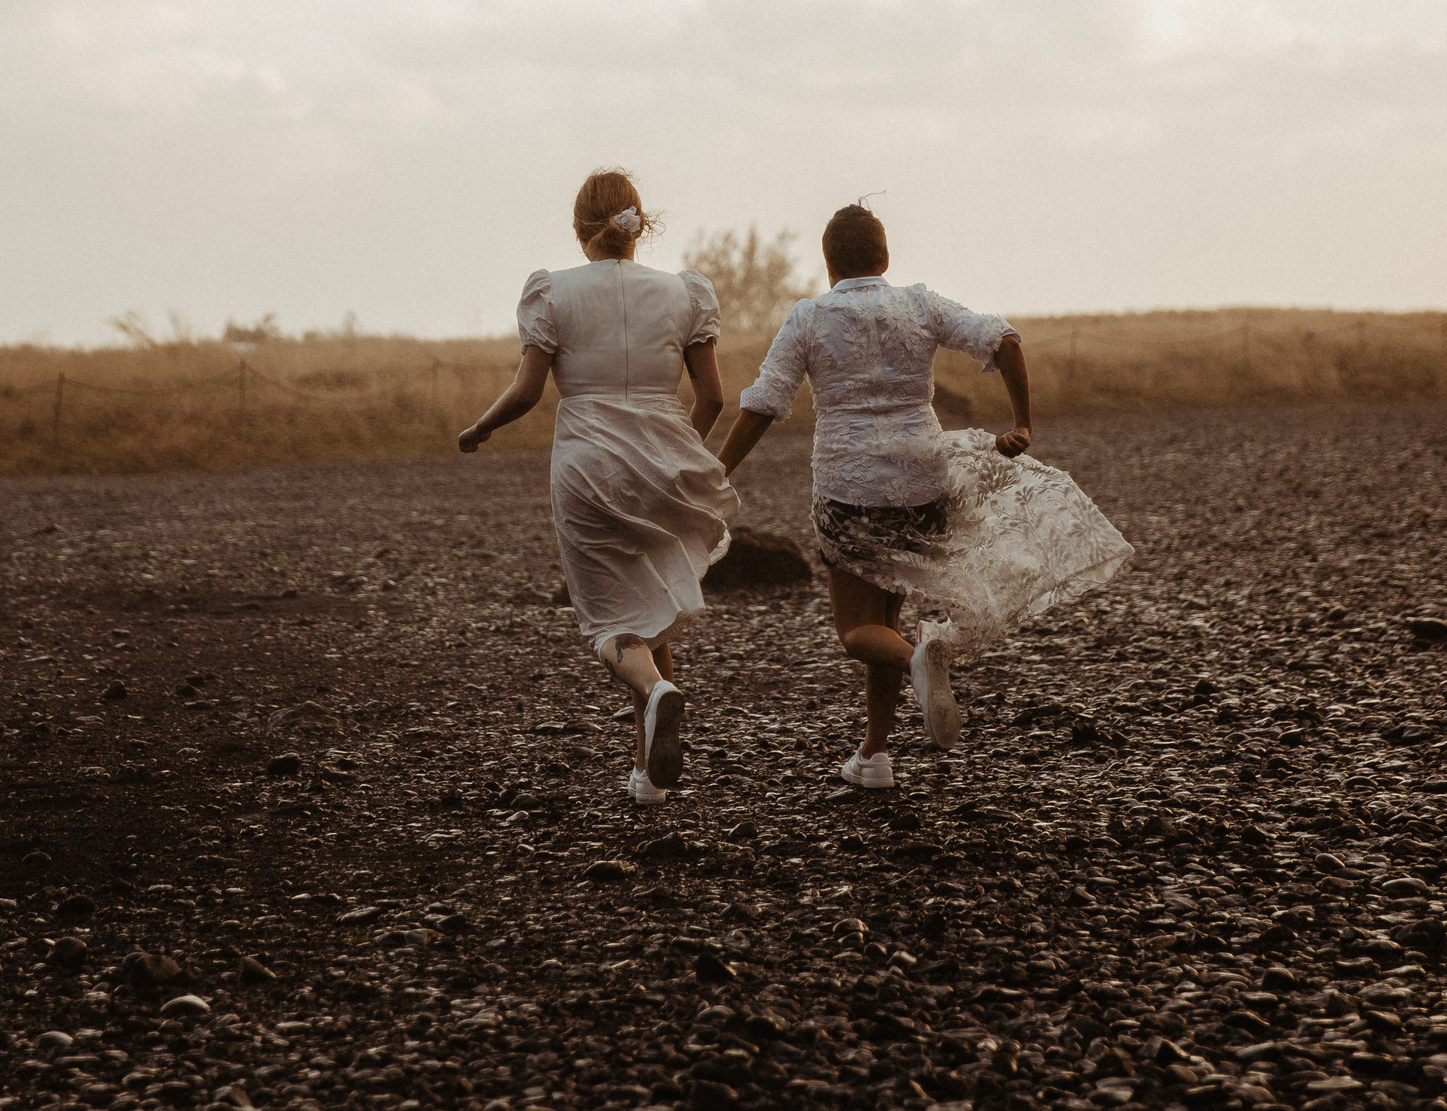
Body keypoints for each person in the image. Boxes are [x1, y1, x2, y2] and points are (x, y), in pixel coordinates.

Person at [717, 203, 1130, 790]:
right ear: (885, 258)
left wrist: (720, 468)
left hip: (850, 486)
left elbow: (764, 402)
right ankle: (875, 756)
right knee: (887, 616)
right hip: (923, 486)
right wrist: (1023, 423)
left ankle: (917, 660)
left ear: (829, 264)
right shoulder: (917, 303)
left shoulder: (810, 317)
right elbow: (1005, 340)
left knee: (857, 630)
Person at [458, 169, 738, 804]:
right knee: (655, 606)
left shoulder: (552, 292)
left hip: (585, 465)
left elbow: (528, 392)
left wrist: (479, 428)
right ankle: (647, 777)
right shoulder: (685, 293)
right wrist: (676, 455)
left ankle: (656, 692)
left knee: (609, 619)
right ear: (638, 226)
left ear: (581, 229)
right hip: (663, 463)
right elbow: (715, 396)